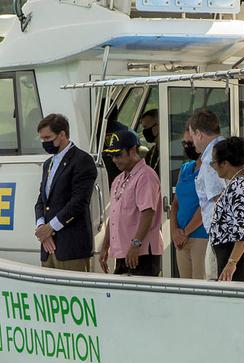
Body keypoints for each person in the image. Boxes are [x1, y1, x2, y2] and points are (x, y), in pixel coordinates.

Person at [34, 113, 98, 272]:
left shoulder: (82, 160)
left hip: (71, 247)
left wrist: (51, 227)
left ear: (62, 135)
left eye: (48, 138)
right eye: (42, 139)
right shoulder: (48, 164)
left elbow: (79, 201)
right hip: (48, 247)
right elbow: (41, 200)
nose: (45, 143)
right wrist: (42, 227)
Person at [99, 130, 164, 277]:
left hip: (141, 253)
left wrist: (136, 245)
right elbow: (114, 216)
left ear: (133, 150)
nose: (115, 160)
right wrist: (105, 246)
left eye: (118, 155)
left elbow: (148, 212)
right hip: (124, 252)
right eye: (112, 156)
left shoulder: (145, 176)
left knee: (142, 297)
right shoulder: (118, 179)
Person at [209, 137, 244, 282]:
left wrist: (232, 262)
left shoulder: (241, 185)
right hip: (233, 253)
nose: (213, 167)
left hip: (237, 255)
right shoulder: (240, 182)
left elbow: (243, 231)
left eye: (214, 162)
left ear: (225, 163)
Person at [169, 129, 208, 279]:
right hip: (181, 237)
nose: (187, 147)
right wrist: (174, 231)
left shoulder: (209, 169)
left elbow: (205, 206)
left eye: (190, 143)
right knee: (185, 285)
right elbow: (175, 203)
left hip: (201, 235)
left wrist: (185, 232)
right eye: (184, 143)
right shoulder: (185, 168)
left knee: (200, 283)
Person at [140, 108, 160, 175]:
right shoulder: (151, 152)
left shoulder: (172, 151)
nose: (144, 132)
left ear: (158, 126)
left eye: (146, 127)